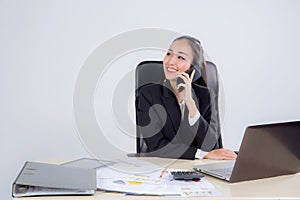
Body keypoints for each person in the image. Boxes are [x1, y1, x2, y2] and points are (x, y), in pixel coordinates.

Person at [136, 35, 237, 160]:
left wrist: (190, 103)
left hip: (199, 171)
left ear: (193, 68)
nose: (171, 61)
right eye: (169, 54)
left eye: (180, 57)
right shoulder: (148, 95)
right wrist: (201, 154)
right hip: (161, 169)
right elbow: (156, 146)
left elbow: (211, 144)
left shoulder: (205, 95)